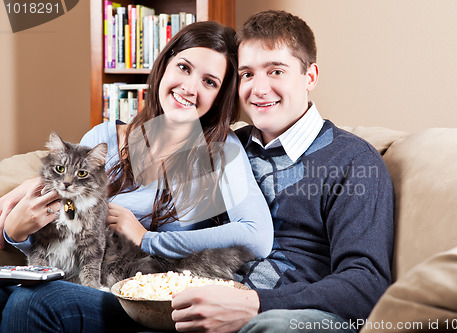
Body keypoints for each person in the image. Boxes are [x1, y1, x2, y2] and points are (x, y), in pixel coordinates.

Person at [0, 21, 273, 332]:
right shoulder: (104, 138)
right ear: (164, 65)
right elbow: (66, 229)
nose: (189, 87)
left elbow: (257, 237)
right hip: (86, 280)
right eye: (183, 67)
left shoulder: (219, 149)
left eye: (209, 82)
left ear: (219, 96)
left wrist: (148, 239)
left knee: (32, 302)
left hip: (149, 299)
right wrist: (16, 233)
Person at [168, 10, 395, 333]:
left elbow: (366, 284)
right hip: (199, 307)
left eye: (276, 71)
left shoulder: (354, 161)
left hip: (295, 316)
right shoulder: (227, 147)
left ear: (310, 76)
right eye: (247, 74)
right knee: (69, 300)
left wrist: (255, 304)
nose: (259, 89)